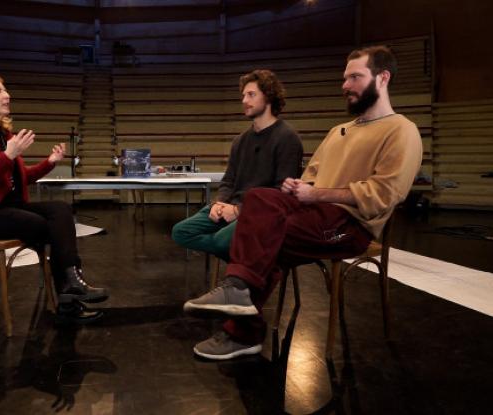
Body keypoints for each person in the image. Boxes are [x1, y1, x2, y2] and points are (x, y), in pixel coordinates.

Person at [183, 46, 423, 360]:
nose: (345, 85)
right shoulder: (340, 131)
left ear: (383, 78)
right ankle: (239, 293)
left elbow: (384, 194)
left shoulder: (402, 131)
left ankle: (242, 324)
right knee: (259, 198)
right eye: (344, 78)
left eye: (355, 77)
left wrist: (316, 194)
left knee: (269, 236)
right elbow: (312, 176)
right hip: (313, 215)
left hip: (349, 228)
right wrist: (298, 187)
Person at [0, 73, 108, 324]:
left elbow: (20, 178)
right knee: (46, 226)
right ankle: (69, 297)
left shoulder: (3, 135)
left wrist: (49, 163)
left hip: (9, 209)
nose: (7, 95)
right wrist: (7, 156)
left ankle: (71, 281)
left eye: (5, 90)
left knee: (60, 210)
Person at [171, 69, 303, 262]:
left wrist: (239, 211)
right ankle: (245, 260)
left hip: (261, 213)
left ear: (268, 96)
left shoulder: (287, 138)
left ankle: (241, 265)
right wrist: (219, 202)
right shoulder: (240, 141)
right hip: (230, 207)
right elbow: (229, 180)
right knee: (181, 232)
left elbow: (281, 194)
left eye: (251, 94)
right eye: (243, 95)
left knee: (222, 241)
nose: (244, 100)